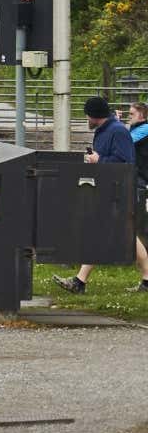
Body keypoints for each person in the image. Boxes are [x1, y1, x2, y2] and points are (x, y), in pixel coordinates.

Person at [55, 96, 148, 294]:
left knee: (103, 233)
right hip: (109, 189)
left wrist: (100, 159)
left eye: (88, 115)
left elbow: (126, 163)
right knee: (126, 234)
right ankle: (147, 279)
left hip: (118, 191)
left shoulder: (117, 132)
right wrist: (95, 160)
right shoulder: (106, 131)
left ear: (95, 115)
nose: (87, 119)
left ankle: (79, 282)